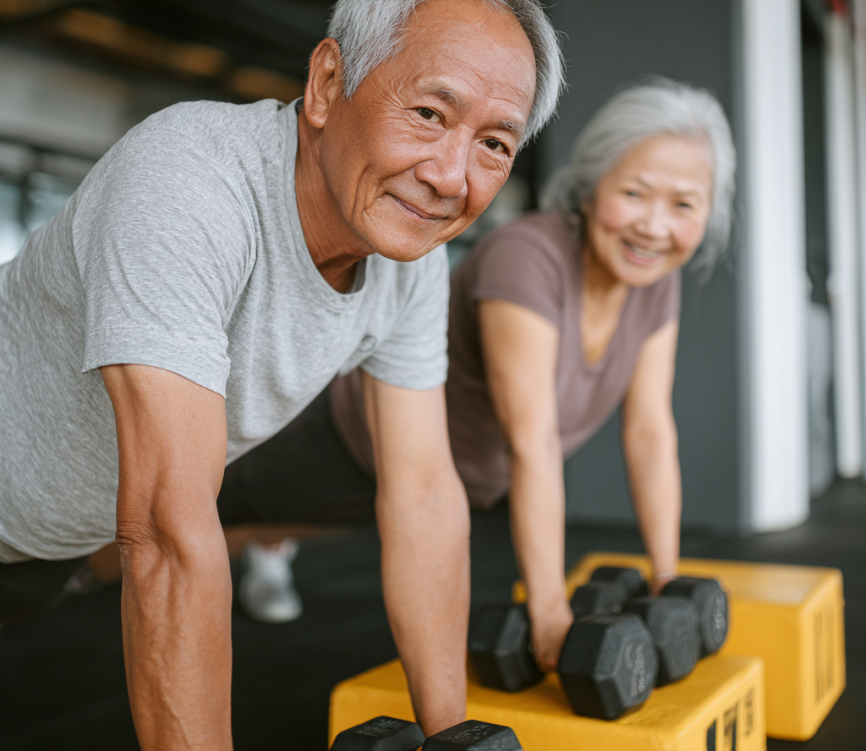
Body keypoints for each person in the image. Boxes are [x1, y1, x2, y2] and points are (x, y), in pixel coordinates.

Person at [0, 0, 564, 748]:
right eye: (430, 115)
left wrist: (453, 735)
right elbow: (167, 531)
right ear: (328, 84)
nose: (451, 177)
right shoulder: (189, 182)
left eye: (495, 145)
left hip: (39, 549)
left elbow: (424, 496)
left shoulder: (412, 259)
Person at [223, 79, 735, 674]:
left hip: (444, 484)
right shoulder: (528, 259)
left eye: (683, 205)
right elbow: (533, 440)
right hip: (348, 437)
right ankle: (97, 559)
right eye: (636, 193)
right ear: (591, 190)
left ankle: (265, 543)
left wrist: (669, 582)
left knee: (298, 526)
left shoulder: (653, 280)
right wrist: (548, 613)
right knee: (173, 520)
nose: (654, 226)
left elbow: (650, 431)